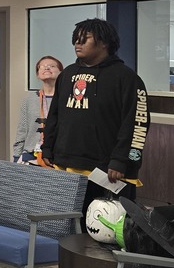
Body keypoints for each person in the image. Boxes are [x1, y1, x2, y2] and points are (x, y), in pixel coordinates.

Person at [41, 18, 150, 215]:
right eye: (76, 38)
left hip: (108, 171)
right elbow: (55, 114)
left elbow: (137, 124)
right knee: (69, 226)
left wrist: (121, 160)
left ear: (104, 42)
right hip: (67, 165)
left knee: (106, 229)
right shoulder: (67, 75)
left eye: (85, 38)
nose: (78, 43)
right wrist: (48, 147)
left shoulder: (127, 78)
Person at [12, 55, 63, 163]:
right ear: (37, 74)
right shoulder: (29, 99)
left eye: (52, 66)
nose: (46, 68)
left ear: (61, 72)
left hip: (57, 157)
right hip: (31, 156)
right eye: (42, 66)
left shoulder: (66, 99)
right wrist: (17, 156)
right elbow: (22, 129)